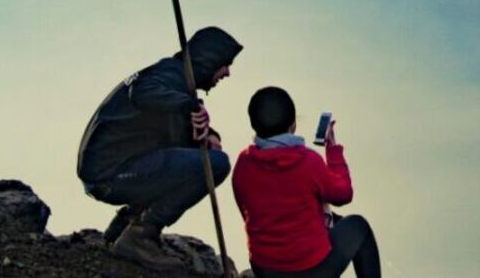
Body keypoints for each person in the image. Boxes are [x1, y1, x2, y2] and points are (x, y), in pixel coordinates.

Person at [77, 26, 243, 271]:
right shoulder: (167, 76)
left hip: (110, 170)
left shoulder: (171, 77)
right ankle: (142, 235)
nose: (227, 72)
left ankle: (129, 221)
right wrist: (189, 105)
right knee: (216, 164)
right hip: (110, 174)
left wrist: (208, 135)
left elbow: (172, 135)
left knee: (202, 156)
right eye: (225, 63)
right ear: (208, 61)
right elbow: (143, 92)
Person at [232, 86, 381, 278]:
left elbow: (248, 212)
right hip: (309, 270)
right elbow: (343, 194)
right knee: (358, 227)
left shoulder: (243, 164)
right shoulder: (307, 161)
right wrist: (333, 150)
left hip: (265, 268)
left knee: (335, 220)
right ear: (293, 124)